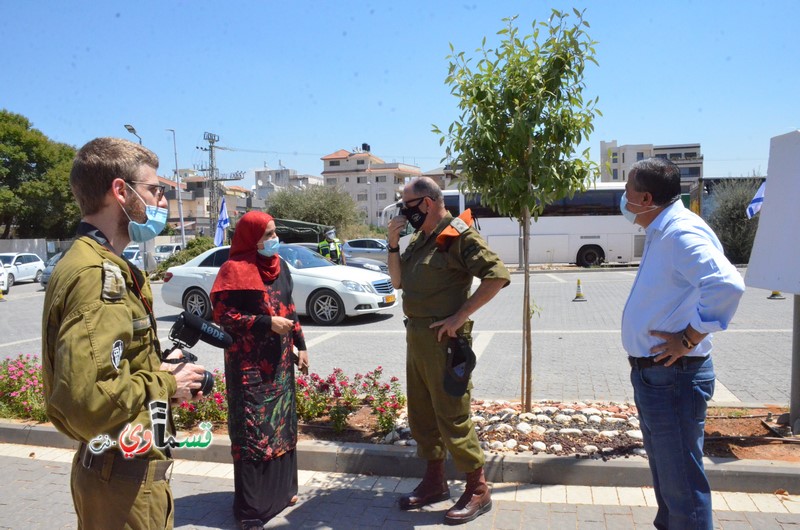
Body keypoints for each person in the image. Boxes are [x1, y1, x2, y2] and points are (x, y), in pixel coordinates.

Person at [42, 137, 208, 529]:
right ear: (121, 191)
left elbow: (112, 369)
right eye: (155, 190)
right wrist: (166, 382)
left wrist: (160, 367)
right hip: (121, 483)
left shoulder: (106, 264)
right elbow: (87, 403)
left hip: (122, 473)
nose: (163, 202)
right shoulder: (96, 274)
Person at [621, 158, 745, 529]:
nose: (623, 198)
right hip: (657, 377)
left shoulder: (679, 233)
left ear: (644, 197)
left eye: (626, 190)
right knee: (669, 483)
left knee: (683, 488)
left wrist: (689, 337)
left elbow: (726, 284)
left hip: (673, 377)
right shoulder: (664, 229)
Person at [387, 176, 510, 525]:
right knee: (423, 416)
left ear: (426, 203)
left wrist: (460, 316)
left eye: (405, 205)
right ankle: (434, 482)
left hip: (446, 343)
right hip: (418, 338)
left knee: (452, 416)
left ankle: (478, 488)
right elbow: (397, 282)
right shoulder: (422, 239)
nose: (401, 211)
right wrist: (393, 244)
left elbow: (496, 275)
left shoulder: (458, 234)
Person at [210, 211, 309, 530]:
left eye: (274, 232)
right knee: (254, 432)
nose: (273, 239)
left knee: (282, 426)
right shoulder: (233, 270)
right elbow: (224, 317)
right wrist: (266, 323)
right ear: (251, 237)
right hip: (248, 369)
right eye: (267, 234)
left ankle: (282, 493)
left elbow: (290, 308)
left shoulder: (280, 267)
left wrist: (301, 344)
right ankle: (251, 508)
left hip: (279, 366)